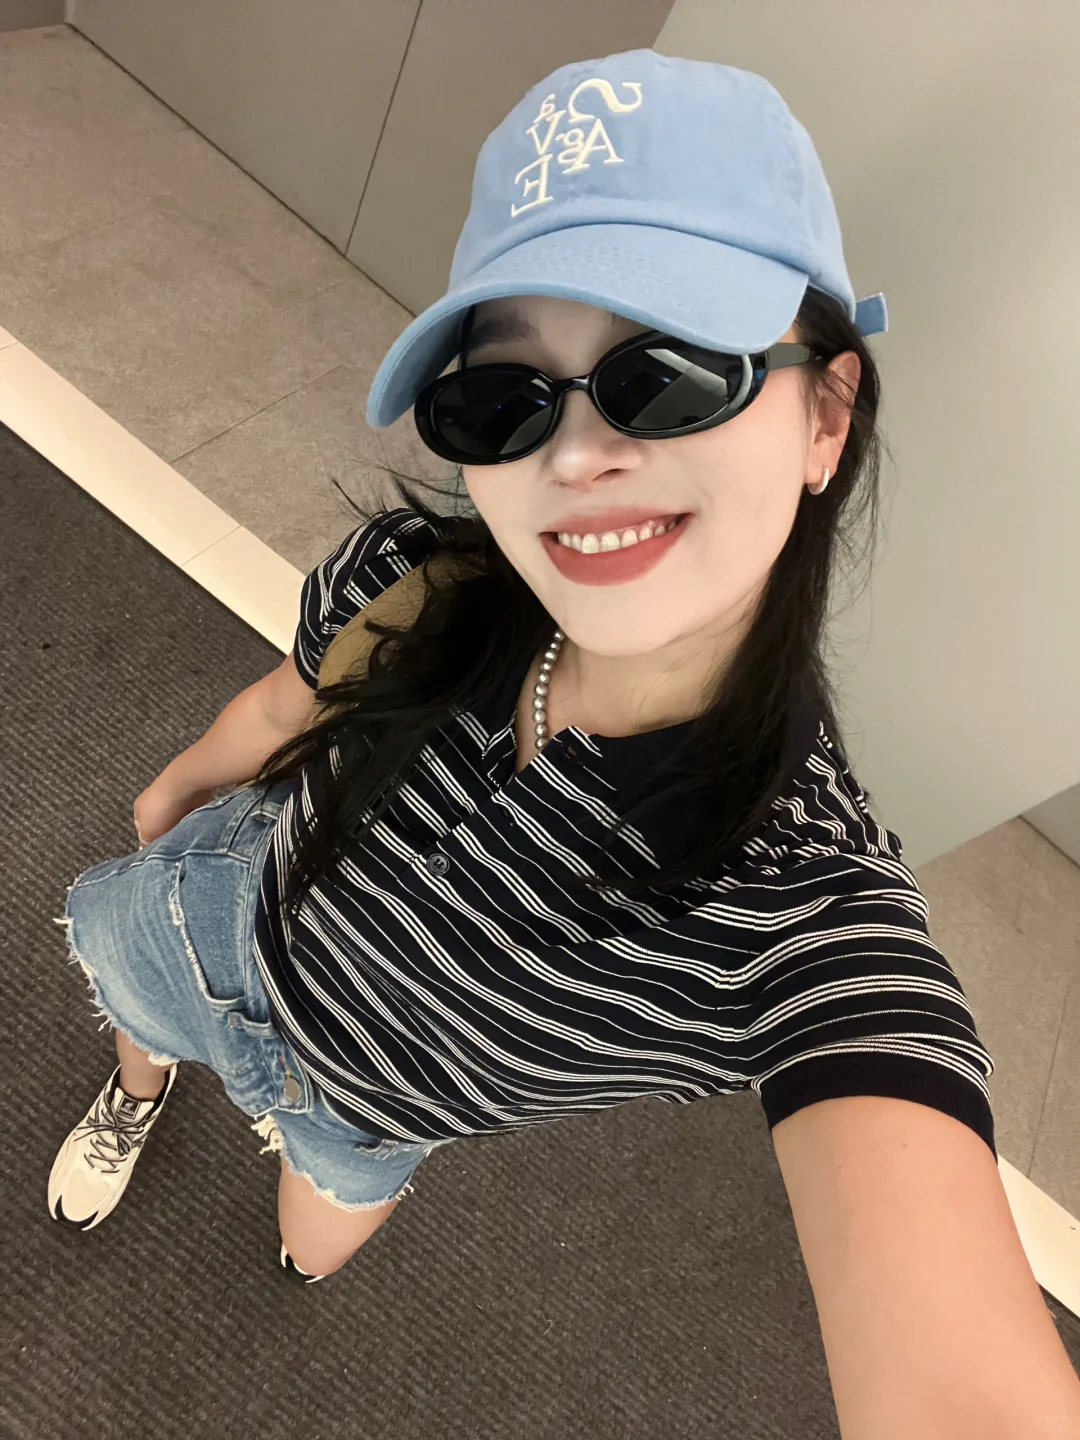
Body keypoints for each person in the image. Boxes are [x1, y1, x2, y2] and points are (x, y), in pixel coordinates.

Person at [49, 49, 1080, 1434]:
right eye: (503, 400)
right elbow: (285, 707)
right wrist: (177, 792)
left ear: (825, 416)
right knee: (137, 1022)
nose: (577, 457)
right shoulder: (417, 582)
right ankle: (137, 1092)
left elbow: (957, 1366)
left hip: (373, 1108)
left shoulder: (800, 904)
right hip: (213, 918)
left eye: (671, 375)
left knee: (311, 1240)